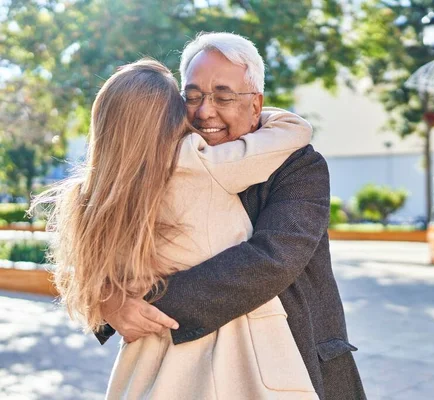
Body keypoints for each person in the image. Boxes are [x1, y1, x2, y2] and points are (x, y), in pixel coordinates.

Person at [95, 33, 366, 399]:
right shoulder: (163, 161)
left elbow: (273, 259)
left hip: (292, 357)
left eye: (223, 96)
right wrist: (108, 300)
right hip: (181, 372)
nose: (205, 111)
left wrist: (147, 304)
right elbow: (98, 232)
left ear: (256, 105)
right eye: (192, 97)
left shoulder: (299, 165)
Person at [32, 58, 319, 398]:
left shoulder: (87, 197)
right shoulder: (196, 161)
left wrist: (115, 302)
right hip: (234, 356)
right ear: (174, 116)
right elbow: (293, 130)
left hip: (147, 366)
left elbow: (85, 284)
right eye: (189, 100)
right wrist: (250, 104)